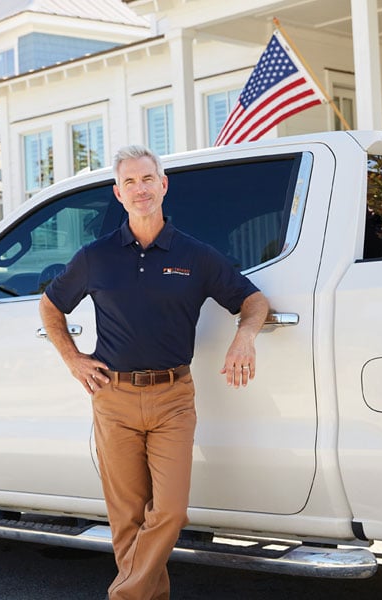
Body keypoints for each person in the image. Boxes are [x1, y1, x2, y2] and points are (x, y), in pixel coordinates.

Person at [39, 145, 270, 600]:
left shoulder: (195, 255)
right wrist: (73, 359)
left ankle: (122, 594)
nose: (139, 189)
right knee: (126, 518)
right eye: (129, 182)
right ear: (118, 193)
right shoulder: (96, 256)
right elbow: (50, 305)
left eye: (147, 179)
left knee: (169, 511)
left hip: (173, 398)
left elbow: (253, 299)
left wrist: (244, 338)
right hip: (113, 397)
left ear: (163, 185)